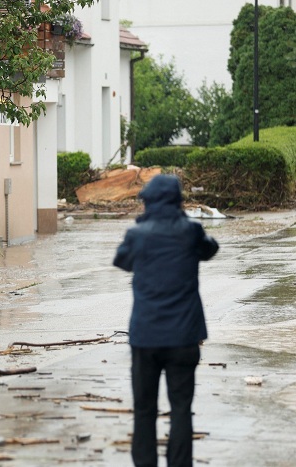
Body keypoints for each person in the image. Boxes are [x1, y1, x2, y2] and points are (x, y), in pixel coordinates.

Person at [113, 174, 219, 467]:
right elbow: (211, 249)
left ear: (148, 202)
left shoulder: (138, 235)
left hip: (145, 339)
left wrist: (140, 229)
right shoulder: (191, 232)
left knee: (144, 409)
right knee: (181, 408)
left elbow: (121, 261)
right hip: (184, 338)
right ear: (178, 201)